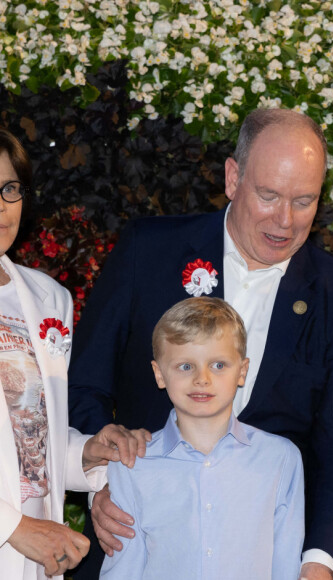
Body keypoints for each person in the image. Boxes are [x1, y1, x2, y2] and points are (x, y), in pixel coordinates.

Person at [68, 108, 333, 580]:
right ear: (233, 178)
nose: (285, 220)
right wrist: (105, 480)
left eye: (304, 201)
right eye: (269, 195)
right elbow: (84, 384)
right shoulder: (147, 251)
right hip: (136, 543)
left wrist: (319, 561)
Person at [0, 127, 150, 580]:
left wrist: (87, 452)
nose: (1, 206)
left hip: (37, 562)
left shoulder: (47, 299)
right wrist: (13, 526)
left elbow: (29, 442)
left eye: (8, 188)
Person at [99, 297, 304, 579]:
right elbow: (124, 569)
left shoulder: (280, 458)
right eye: (185, 366)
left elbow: (286, 562)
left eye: (218, 365)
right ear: (160, 374)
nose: (202, 379)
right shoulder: (133, 463)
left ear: (242, 371)